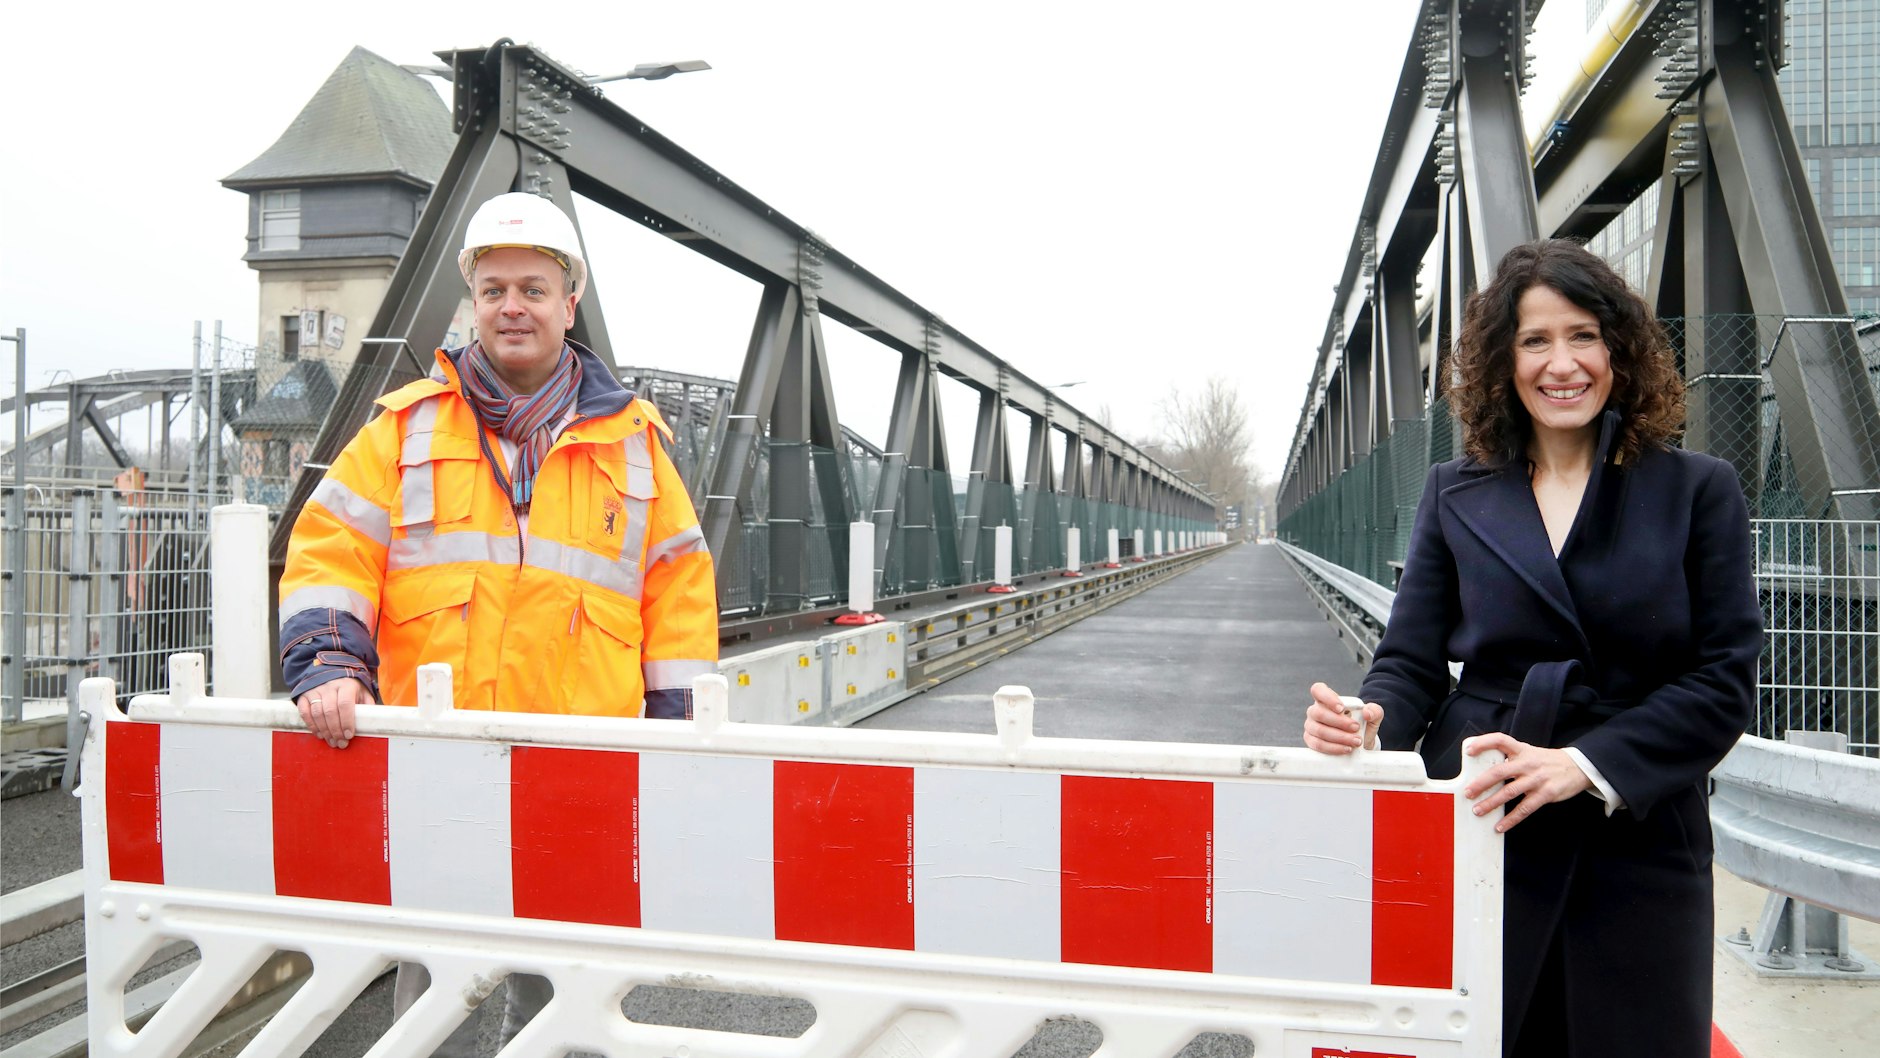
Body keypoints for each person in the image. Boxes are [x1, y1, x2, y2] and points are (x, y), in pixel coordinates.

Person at [277, 190, 719, 1051]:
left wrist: (676, 738)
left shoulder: (636, 446)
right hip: (443, 761)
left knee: (572, 986)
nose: (512, 306)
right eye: (494, 290)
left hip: (582, 766)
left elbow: (679, 593)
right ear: (472, 301)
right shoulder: (402, 432)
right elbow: (330, 548)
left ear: (569, 302)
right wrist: (329, 661)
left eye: (533, 288)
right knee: (436, 980)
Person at [1302, 238, 1762, 1058]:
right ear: (1502, 362)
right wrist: (1372, 718)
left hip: (1638, 829)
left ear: (1618, 350)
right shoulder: (1454, 492)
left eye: (1583, 335)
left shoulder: (1698, 489)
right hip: (1486, 818)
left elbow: (1724, 678)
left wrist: (1583, 764)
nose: (1563, 364)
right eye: (1535, 340)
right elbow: (1409, 661)